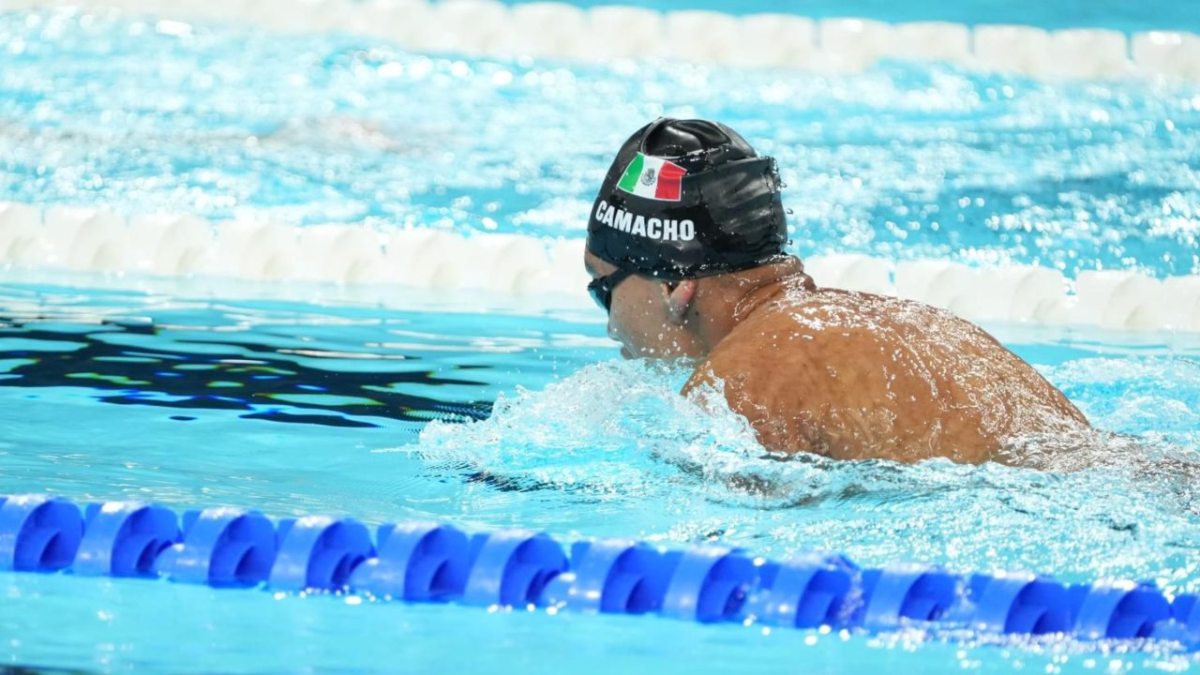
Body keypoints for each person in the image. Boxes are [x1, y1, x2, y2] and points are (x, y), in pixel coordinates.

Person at [583, 118, 1090, 464]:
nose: (609, 326)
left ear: (675, 285)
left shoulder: (739, 381)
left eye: (603, 289)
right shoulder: (917, 325)